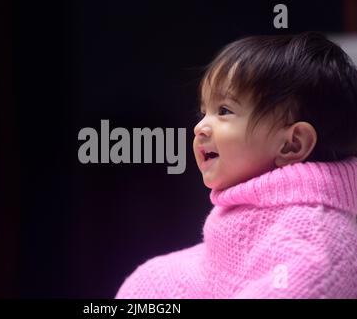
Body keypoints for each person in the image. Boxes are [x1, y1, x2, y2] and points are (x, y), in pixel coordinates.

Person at [115, 32, 357, 298]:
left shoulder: (313, 244)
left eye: (224, 111)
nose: (200, 127)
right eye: (203, 111)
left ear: (292, 144)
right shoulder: (265, 219)